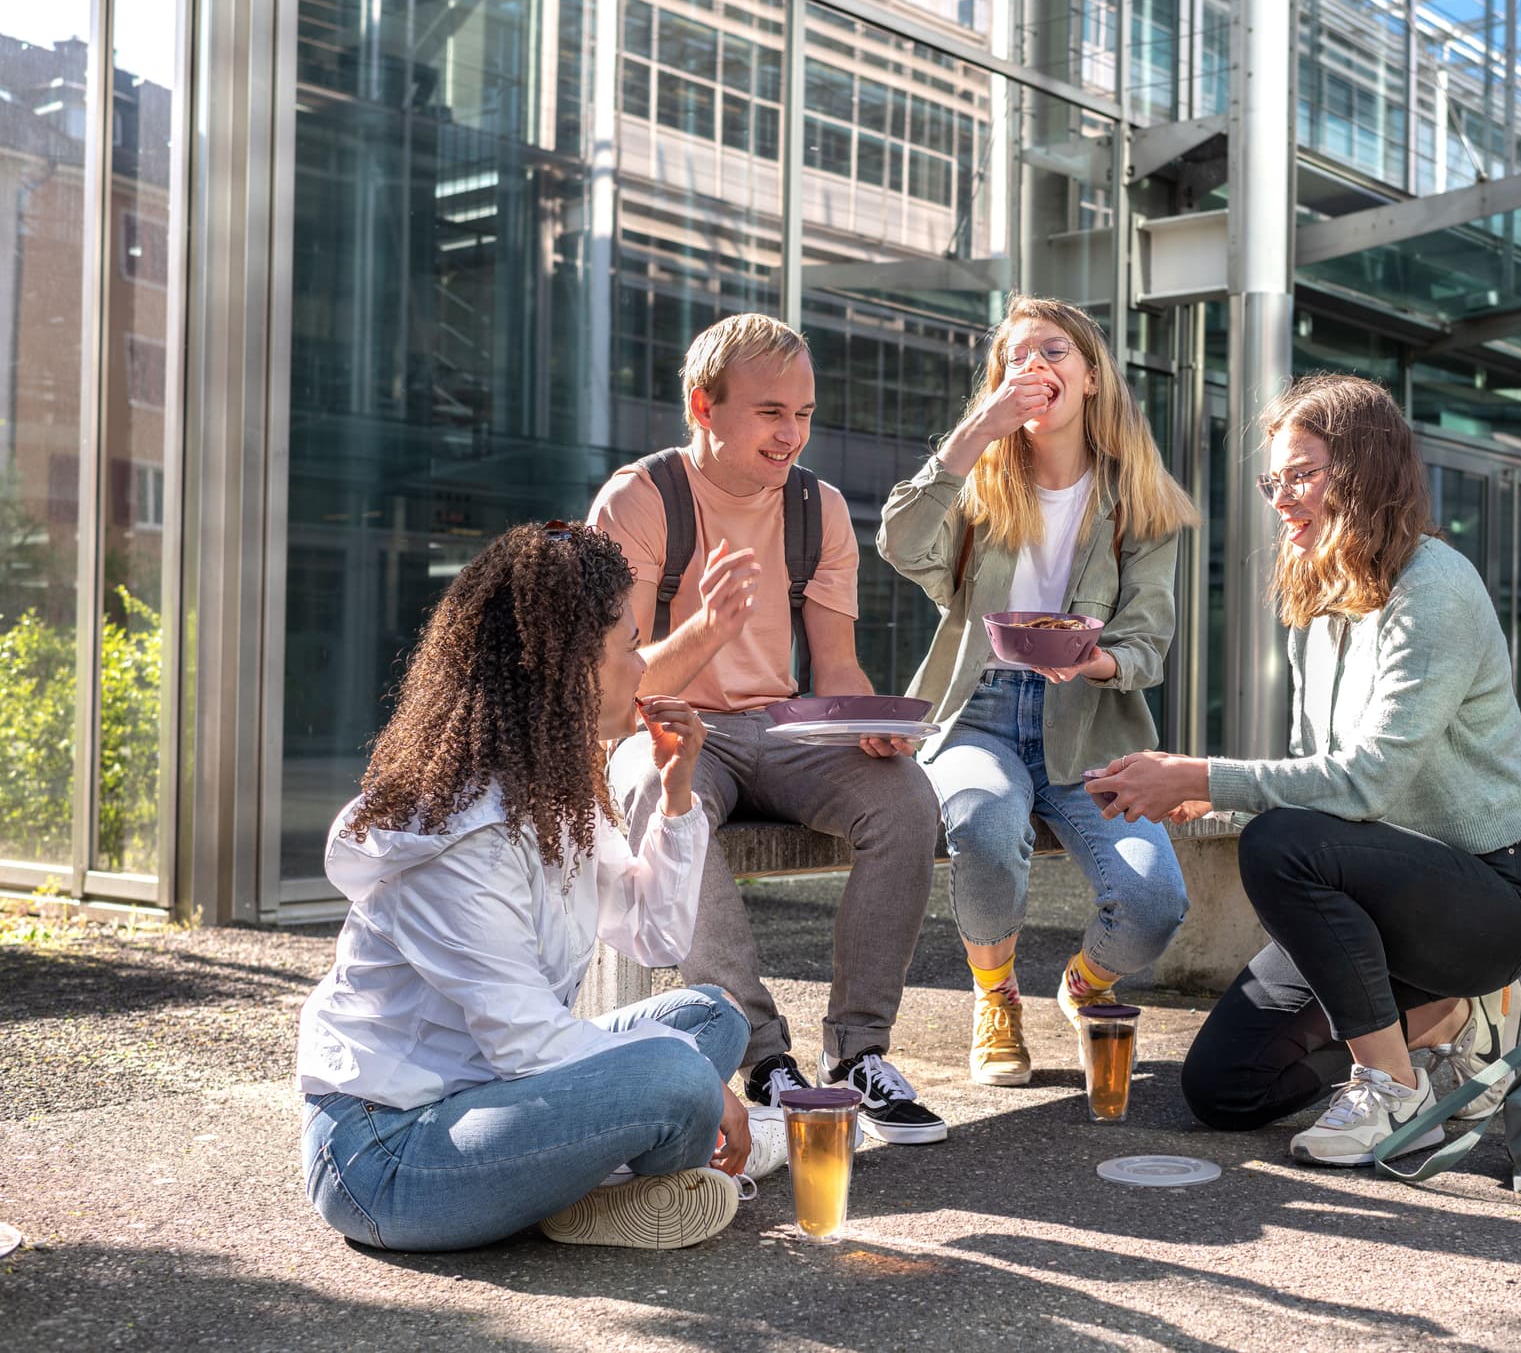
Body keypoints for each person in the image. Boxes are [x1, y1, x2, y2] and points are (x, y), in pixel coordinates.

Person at [1083, 375, 1521, 1167]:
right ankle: (1450, 1027)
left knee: (1279, 843)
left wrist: (1203, 776)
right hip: (1376, 892)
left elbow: (1367, 780)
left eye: (1300, 475)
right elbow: (1319, 769)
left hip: (1490, 895)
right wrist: (1208, 800)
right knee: (1224, 1089)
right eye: (1275, 480)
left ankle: (1392, 1087)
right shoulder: (1319, 597)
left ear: (1365, 469)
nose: (1281, 497)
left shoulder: (1434, 585)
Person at [299, 520, 773, 1252]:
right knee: (679, 1078)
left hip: (492, 1090)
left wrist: (678, 794)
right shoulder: (461, 841)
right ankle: (608, 1182)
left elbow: (655, 935)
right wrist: (699, 1090)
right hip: (389, 1151)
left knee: (714, 1019)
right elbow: (527, 1043)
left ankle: (585, 1190)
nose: (644, 665)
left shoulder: (551, 794)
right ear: (569, 667)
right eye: (630, 644)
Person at [587, 313, 946, 1145]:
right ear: (703, 407)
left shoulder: (818, 509)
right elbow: (617, 691)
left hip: (780, 729)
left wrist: (869, 723)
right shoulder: (638, 501)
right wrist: (708, 631)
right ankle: (761, 1055)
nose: (792, 435)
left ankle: (860, 1051)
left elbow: (838, 668)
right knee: (646, 777)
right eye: (770, 412)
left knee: (905, 797)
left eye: (805, 414)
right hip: (666, 725)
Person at [878, 297, 1198, 1087]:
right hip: (978, 711)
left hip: (1092, 726)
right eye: (1016, 358)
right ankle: (996, 995)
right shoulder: (980, 483)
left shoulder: (1142, 498)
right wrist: (972, 435)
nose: (1034, 367)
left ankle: (1084, 982)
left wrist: (1090, 661)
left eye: (1053, 351)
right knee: (984, 827)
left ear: (1090, 378)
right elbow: (898, 541)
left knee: (1155, 904)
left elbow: (1148, 640)